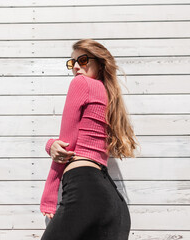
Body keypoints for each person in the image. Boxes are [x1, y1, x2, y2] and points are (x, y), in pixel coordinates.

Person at [39, 39, 139, 240]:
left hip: (85, 188)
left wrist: (49, 196)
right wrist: (51, 144)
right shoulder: (109, 94)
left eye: (82, 60)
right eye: (72, 62)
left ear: (99, 63)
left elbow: (67, 145)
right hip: (114, 203)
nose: (76, 67)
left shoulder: (80, 83)